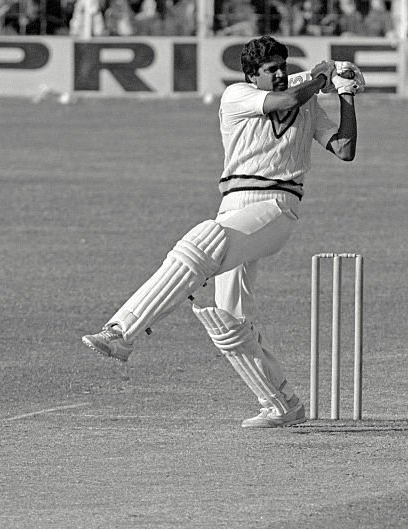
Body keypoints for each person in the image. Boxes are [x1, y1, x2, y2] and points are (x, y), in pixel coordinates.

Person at [82, 36, 364, 429]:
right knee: (224, 316)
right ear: (252, 75)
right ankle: (281, 404)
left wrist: (346, 93)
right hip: (233, 208)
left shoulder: (308, 103)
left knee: (203, 240)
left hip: (275, 208)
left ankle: (121, 332)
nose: (280, 73)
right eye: (271, 69)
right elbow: (284, 100)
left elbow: (345, 149)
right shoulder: (237, 95)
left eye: (283, 66)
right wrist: (324, 75)